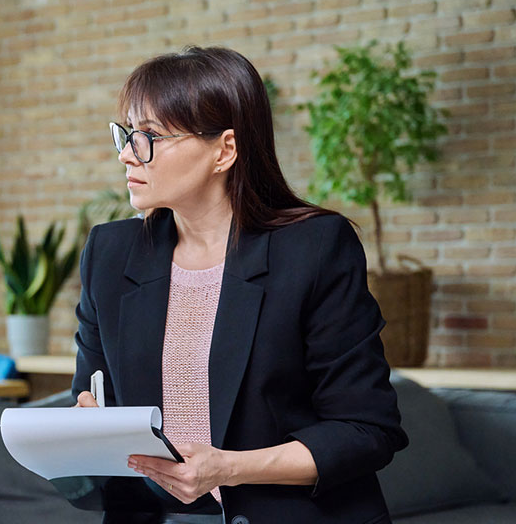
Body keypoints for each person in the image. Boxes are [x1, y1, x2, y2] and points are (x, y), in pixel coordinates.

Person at [72, 46, 408, 523]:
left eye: (149, 136)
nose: (128, 154)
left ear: (224, 150)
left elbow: (366, 429)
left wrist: (228, 468)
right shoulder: (109, 254)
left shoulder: (314, 248)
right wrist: (85, 428)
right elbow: (90, 396)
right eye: (126, 133)